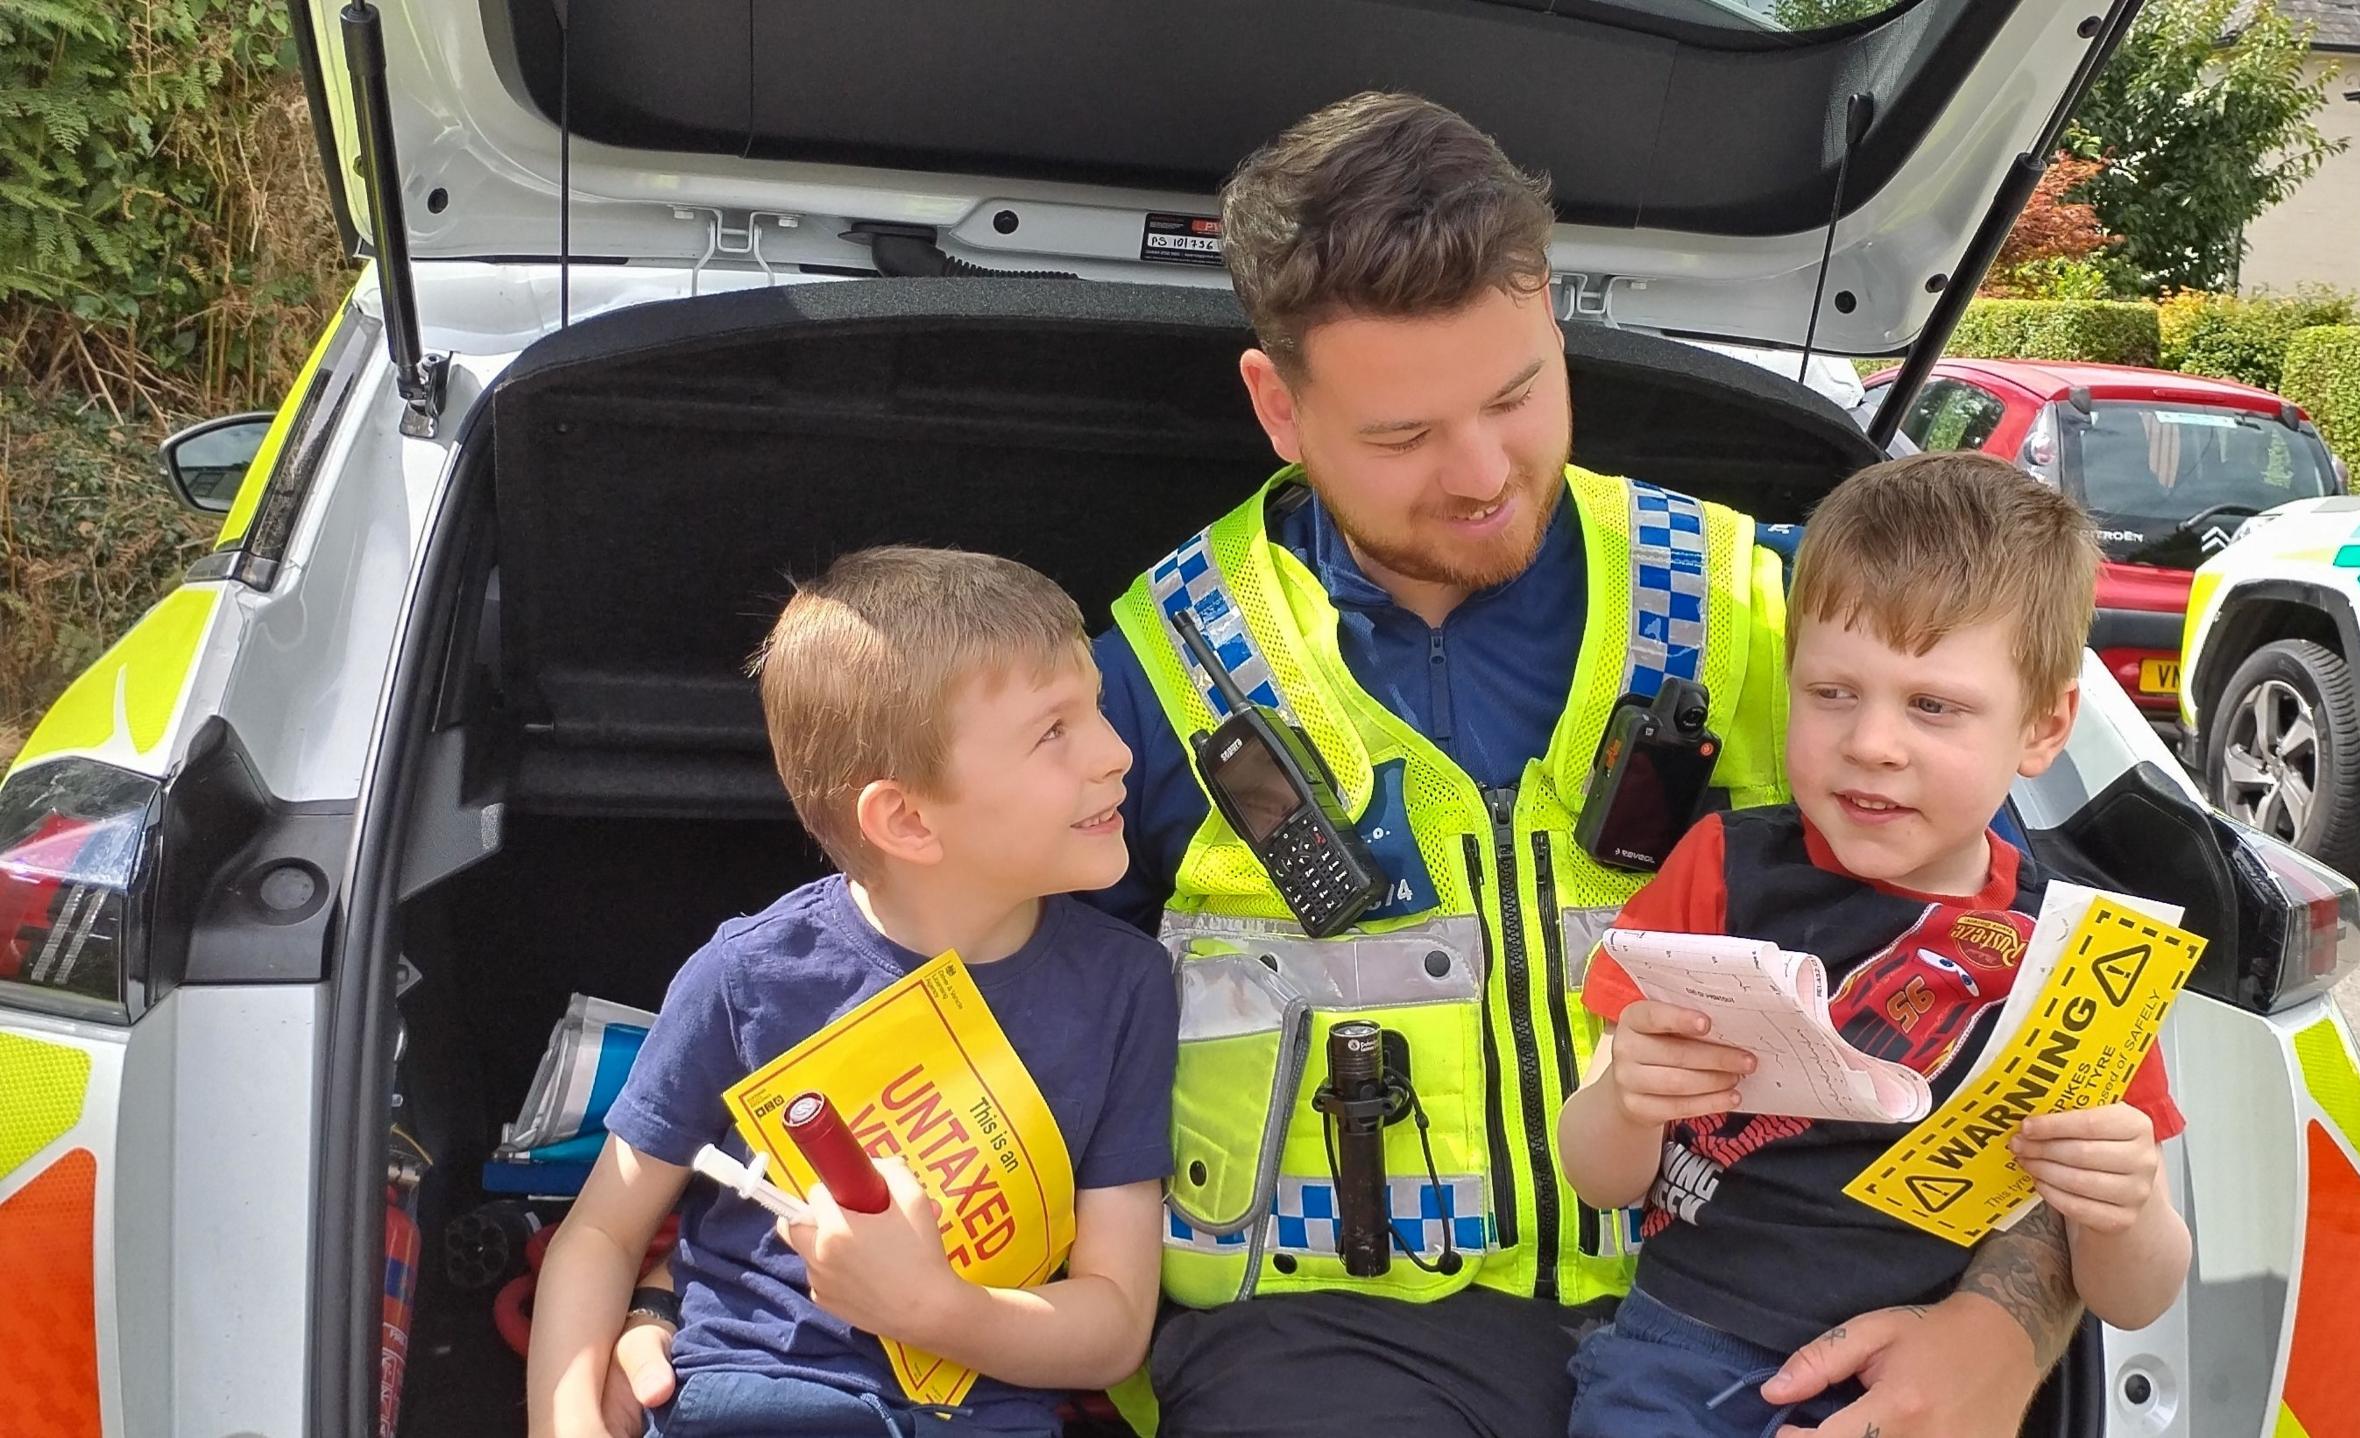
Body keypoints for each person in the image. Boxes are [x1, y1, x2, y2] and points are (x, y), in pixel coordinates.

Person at [614, 94, 2110, 1438]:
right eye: (1404, 431)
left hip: (1727, 1303)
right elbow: (921, 987)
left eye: (1519, 394)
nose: (1479, 471)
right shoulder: (1142, 674)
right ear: (1279, 404)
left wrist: (2011, 1317)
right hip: (1318, 1340)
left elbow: (2055, 1002)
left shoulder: (1779, 613)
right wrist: (724, 1299)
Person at [1557, 454, 2193, 1437]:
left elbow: (2135, 1293)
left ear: (2043, 723)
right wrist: (1627, 1099)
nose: (1872, 742)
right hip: (1675, 1359)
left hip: (1921, 1392)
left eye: (1931, 705)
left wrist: (2126, 1205)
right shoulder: (1718, 866)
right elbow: (1600, 1173)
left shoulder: (2084, 957)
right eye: (1833, 692)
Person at [529, 548, 1177, 1437]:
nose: (1116, 752)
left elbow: (1114, 1327)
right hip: (749, 1399)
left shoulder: (1128, 988)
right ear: (907, 819)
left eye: (1095, 707)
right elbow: (600, 1233)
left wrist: (936, 1308)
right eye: (1052, 731)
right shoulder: (746, 976)